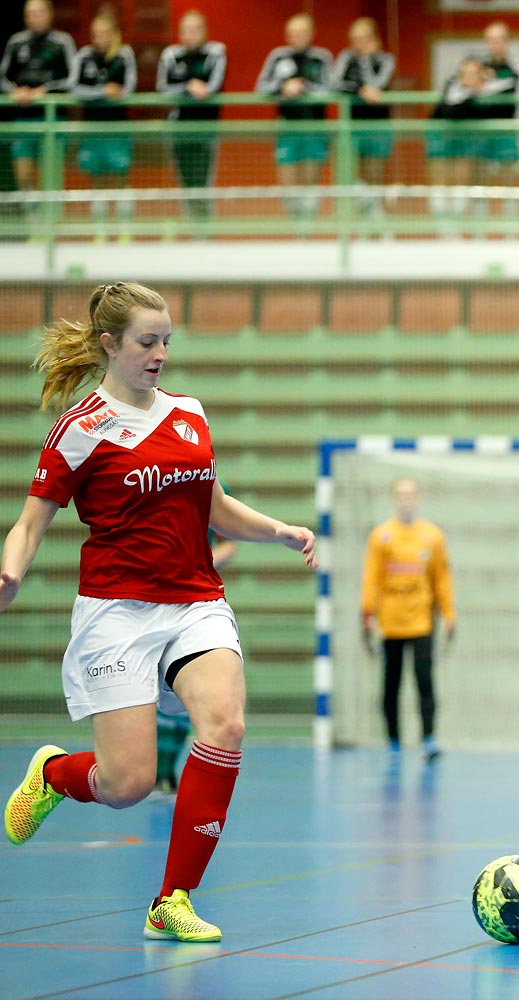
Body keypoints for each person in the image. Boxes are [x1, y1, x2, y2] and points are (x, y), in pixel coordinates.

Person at [2, 282, 318, 943]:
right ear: (111, 344)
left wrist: (281, 531)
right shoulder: (80, 430)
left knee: (225, 725)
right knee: (128, 783)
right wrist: (10, 572)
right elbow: (31, 524)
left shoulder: (189, 415)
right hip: (117, 612)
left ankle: (172, 898)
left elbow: (216, 506)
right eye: (148, 342)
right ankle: (57, 773)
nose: (160, 354)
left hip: (194, 603)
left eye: (167, 341)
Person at [361, 477, 455, 762]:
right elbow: (372, 578)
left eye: (411, 494)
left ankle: (429, 737)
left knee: (424, 681)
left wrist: (449, 613)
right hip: (391, 623)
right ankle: (393, 741)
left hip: (421, 621)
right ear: (394, 498)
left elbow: (441, 578)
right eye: (401, 494)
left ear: (418, 498)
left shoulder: (432, 537)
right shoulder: (381, 537)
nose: (406, 499)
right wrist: (368, 612)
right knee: (391, 684)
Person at [155, 527, 236, 797]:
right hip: (145, 605)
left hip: (194, 606)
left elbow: (229, 545)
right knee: (150, 698)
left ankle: (166, 772)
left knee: (186, 701)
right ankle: (152, 771)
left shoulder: (212, 485)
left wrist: (196, 562)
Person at [1, 0, 76, 221]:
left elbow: (72, 78)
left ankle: (50, 222)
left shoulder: (62, 42)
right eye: (30, 14)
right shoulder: (16, 42)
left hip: (52, 119)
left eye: (39, 12)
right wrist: (16, 92)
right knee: (23, 174)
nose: (35, 18)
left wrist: (44, 91)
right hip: (23, 119)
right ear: (25, 17)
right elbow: (3, 77)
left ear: (50, 14)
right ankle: (31, 220)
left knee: (50, 175)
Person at [256, 14, 334, 223]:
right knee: (289, 184)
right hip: (287, 128)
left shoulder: (321, 57)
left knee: (311, 182)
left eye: (301, 33)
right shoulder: (277, 56)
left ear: (311, 34)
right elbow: (261, 87)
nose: (296, 37)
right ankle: (295, 226)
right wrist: (283, 87)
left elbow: (331, 89)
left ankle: (307, 227)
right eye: (292, 33)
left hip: (315, 128)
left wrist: (304, 88)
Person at [157, 11, 228, 224]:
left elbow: (213, 87)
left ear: (204, 31)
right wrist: (188, 87)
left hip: (207, 129)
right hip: (179, 128)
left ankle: (205, 229)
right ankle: (190, 227)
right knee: (186, 181)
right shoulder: (170, 55)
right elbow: (162, 88)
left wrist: (202, 89)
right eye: (186, 30)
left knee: (204, 181)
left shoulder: (216, 52)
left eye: (195, 29)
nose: (190, 34)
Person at [70, 15, 137, 234]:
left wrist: (115, 93)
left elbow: (128, 89)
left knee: (120, 173)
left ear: (114, 33)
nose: (100, 38)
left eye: (104, 33)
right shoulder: (84, 56)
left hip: (117, 127)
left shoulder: (124, 54)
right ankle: (100, 228)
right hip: (92, 127)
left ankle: (124, 226)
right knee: (96, 175)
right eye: (96, 34)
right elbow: (73, 88)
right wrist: (102, 91)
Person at [331, 18, 396, 224]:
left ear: (375, 39)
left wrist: (366, 60)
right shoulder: (346, 57)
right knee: (348, 174)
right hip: (351, 125)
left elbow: (377, 85)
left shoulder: (386, 59)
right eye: (355, 39)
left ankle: (373, 222)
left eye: (364, 39)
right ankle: (367, 220)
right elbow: (335, 83)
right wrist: (358, 89)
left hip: (378, 125)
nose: (358, 44)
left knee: (373, 174)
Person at [426, 57, 486, 235]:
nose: (468, 78)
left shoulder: (485, 94)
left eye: (473, 74)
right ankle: (441, 228)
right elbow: (443, 111)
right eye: (465, 74)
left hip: (466, 140)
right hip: (441, 136)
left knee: (463, 177)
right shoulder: (450, 88)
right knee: (439, 180)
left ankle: (459, 226)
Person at [474, 22, 519, 218]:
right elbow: (471, 87)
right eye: (492, 40)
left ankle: (510, 227)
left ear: (507, 41)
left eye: (500, 39)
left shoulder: (517, 66)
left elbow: (514, 85)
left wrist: (487, 82)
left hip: (506, 127)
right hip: (482, 127)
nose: (496, 44)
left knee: (508, 177)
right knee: (480, 175)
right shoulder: (478, 66)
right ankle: (480, 227)